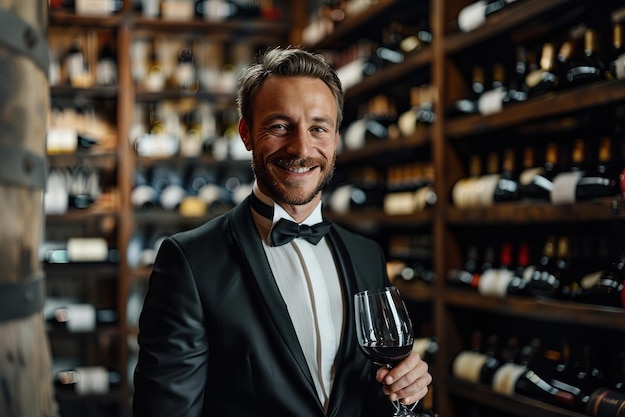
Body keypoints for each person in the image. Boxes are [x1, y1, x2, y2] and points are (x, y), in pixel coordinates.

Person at [132, 46, 432, 417]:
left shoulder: (365, 254)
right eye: (279, 126)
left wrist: (406, 390)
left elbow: (368, 396)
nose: (301, 148)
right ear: (246, 133)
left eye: (318, 128)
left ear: (335, 139)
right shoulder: (190, 260)